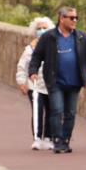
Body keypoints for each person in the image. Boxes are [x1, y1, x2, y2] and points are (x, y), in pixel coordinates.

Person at [28, 6, 86, 154]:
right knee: (56, 110)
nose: (74, 20)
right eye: (71, 18)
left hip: (74, 82)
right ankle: (57, 140)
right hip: (55, 81)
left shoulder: (81, 37)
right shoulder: (49, 37)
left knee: (70, 112)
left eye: (76, 18)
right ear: (61, 18)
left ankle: (65, 140)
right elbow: (37, 55)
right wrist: (33, 71)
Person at [16, 16, 55, 150]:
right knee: (37, 111)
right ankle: (37, 138)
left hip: (50, 85)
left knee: (51, 111)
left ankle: (49, 138)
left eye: (44, 28)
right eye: (39, 28)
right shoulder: (29, 49)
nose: (42, 31)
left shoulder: (54, 46)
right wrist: (22, 82)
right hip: (34, 85)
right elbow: (22, 66)